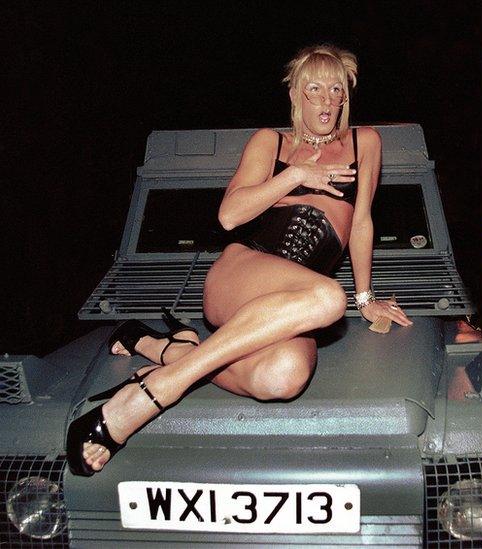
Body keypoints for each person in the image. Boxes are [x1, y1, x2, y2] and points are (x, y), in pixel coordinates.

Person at [68, 44, 412, 476]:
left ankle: (168, 349)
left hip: (297, 296)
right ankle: (157, 392)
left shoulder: (367, 142)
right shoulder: (270, 142)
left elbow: (360, 222)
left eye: (336, 90)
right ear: (296, 94)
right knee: (328, 299)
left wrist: (366, 299)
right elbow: (230, 215)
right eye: (315, 89)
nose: (327, 100)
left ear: (346, 96)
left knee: (282, 378)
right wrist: (296, 175)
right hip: (244, 271)